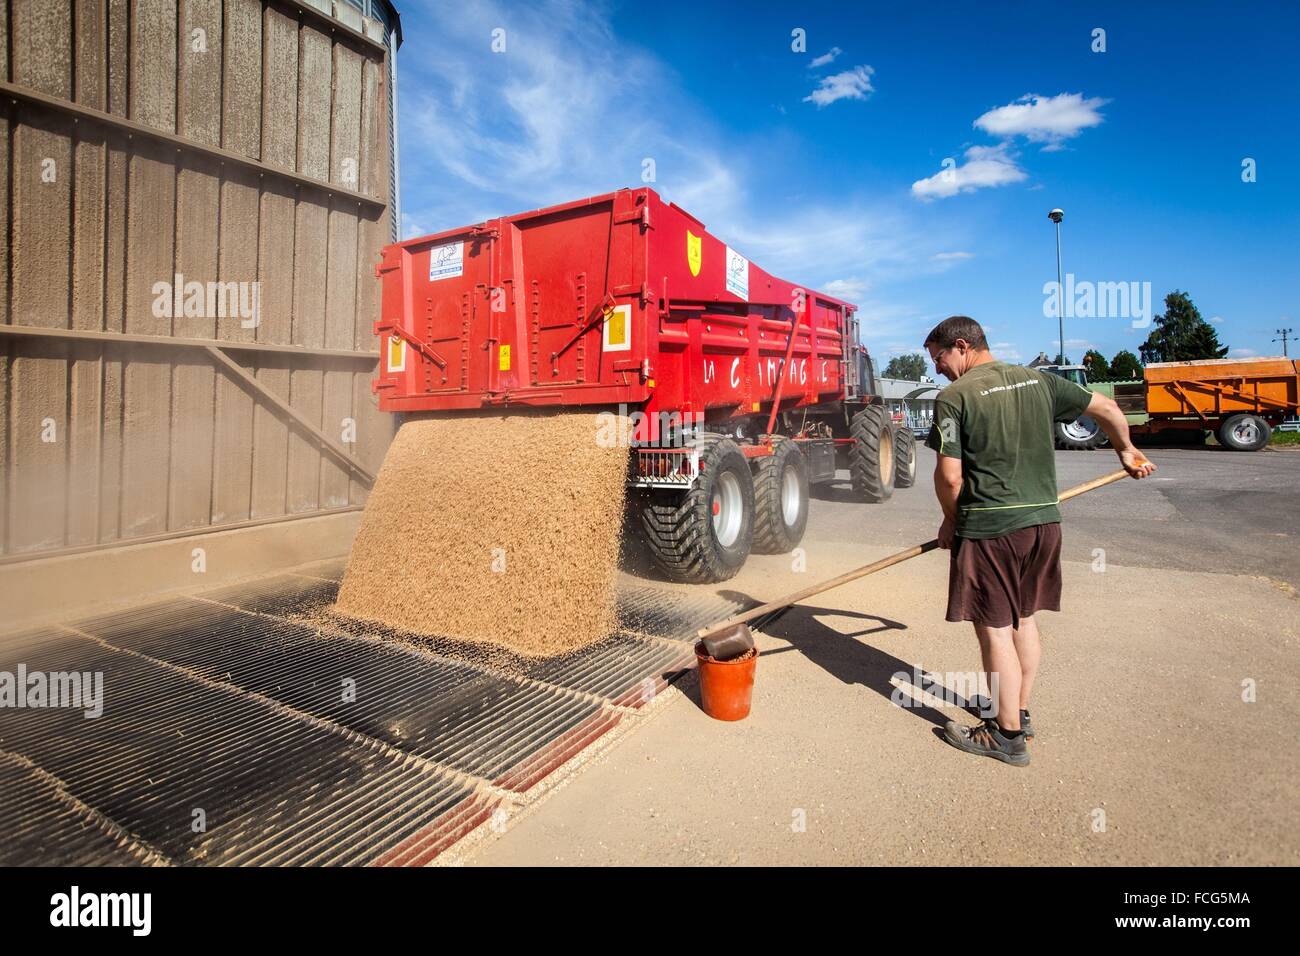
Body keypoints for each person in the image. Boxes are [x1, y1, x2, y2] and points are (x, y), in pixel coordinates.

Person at [922, 316, 1155, 766]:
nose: (938, 370)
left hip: (989, 529)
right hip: (1043, 525)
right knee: (1023, 621)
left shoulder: (955, 397)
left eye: (939, 358)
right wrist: (1124, 448)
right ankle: (1017, 711)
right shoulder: (1040, 381)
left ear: (963, 346)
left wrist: (951, 521)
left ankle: (1005, 736)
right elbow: (1105, 408)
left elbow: (950, 477)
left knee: (994, 631)